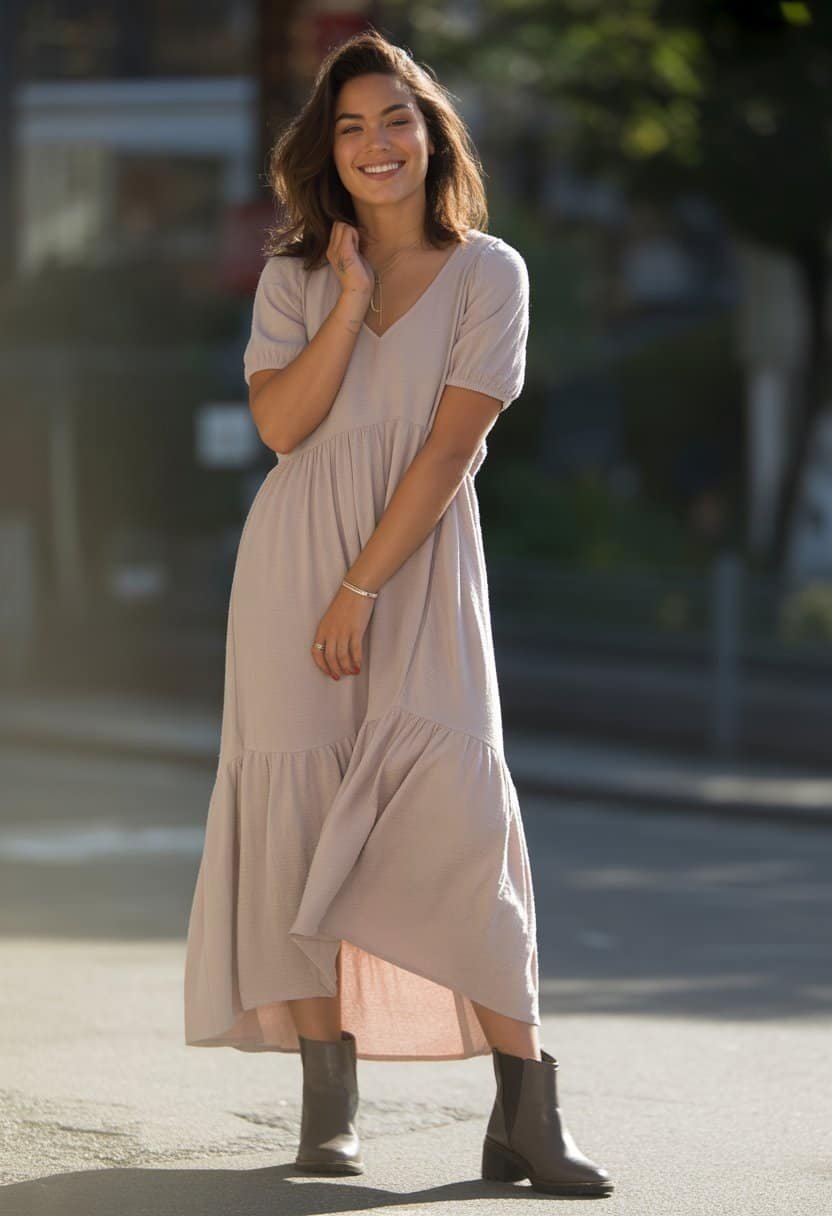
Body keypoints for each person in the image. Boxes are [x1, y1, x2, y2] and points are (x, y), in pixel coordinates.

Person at [183, 28, 614, 1199]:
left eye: (396, 120)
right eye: (351, 126)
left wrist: (359, 590)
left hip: (411, 573)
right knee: (297, 815)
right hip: (288, 568)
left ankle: (527, 1112)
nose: (376, 144)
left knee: (462, 826)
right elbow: (282, 429)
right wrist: (347, 301)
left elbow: (450, 446)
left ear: (433, 137)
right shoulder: (297, 276)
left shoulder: (492, 273)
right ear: (328, 150)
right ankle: (331, 1104)